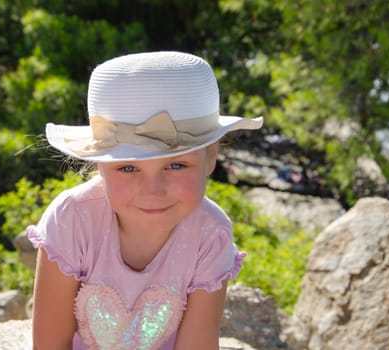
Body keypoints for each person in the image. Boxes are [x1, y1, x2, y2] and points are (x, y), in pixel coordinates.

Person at [27, 51, 263, 350]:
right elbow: (49, 345)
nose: (153, 190)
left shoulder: (210, 235)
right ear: (100, 165)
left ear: (211, 157)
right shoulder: (73, 219)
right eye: (128, 167)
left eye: (176, 165)